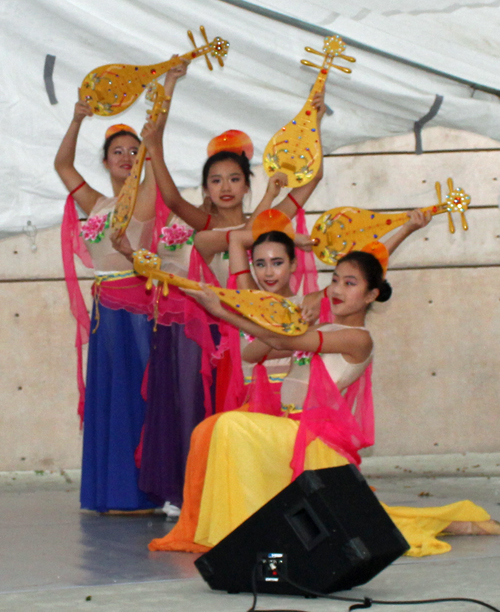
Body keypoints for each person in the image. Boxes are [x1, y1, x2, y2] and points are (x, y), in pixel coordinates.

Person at [149, 249, 499, 555]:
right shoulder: (321, 330)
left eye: (350, 283)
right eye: (335, 280)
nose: (337, 290)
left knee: (230, 425)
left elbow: (284, 340)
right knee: (210, 428)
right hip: (288, 430)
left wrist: (222, 311)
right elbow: (252, 351)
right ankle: (235, 528)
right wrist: (282, 322)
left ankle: (241, 533)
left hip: (313, 439)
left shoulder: (358, 339)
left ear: (371, 295)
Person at [55, 61, 187, 512]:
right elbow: (62, 164)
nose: (128, 157)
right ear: (107, 159)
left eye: (134, 151)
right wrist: (77, 117)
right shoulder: (95, 203)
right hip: (104, 312)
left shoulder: (145, 197)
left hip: (136, 309)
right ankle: (114, 494)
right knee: (110, 402)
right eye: (119, 151)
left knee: (141, 399)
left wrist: (168, 84)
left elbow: (156, 138)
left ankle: (150, 491)